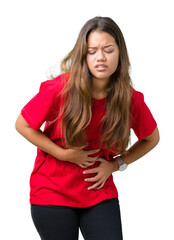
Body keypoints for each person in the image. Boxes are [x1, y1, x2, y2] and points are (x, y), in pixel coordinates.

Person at [15, 16, 159, 240]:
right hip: (53, 191)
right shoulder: (60, 89)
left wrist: (116, 164)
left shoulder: (130, 99)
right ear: (83, 55)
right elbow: (22, 124)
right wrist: (64, 154)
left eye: (108, 50)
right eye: (92, 51)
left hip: (98, 192)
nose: (100, 57)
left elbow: (151, 139)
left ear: (120, 53)